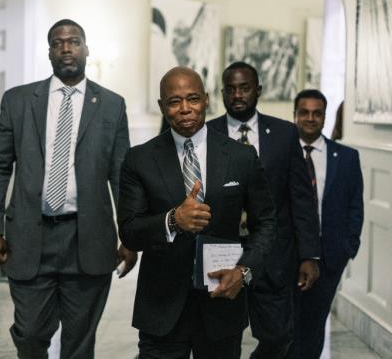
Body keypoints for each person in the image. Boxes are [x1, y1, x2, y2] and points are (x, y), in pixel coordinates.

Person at [0, 19, 137, 358]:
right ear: (49, 52)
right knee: (31, 333)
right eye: (58, 42)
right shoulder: (19, 101)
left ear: (86, 48)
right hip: (29, 237)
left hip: (89, 239)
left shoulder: (111, 105)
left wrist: (129, 234)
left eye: (74, 41)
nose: (66, 48)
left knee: (79, 342)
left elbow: (121, 175)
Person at [118, 66, 277, 359]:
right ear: (162, 106)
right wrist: (172, 220)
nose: (185, 109)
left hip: (222, 301)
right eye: (174, 101)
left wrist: (244, 272)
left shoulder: (241, 157)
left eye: (192, 99)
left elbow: (266, 224)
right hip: (161, 306)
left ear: (205, 100)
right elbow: (129, 230)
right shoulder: (139, 159)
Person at [208, 62, 320, 359]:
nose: (237, 95)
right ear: (222, 93)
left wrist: (309, 254)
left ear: (258, 90)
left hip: (274, 255)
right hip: (223, 254)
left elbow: (302, 199)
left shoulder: (284, 134)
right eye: (230, 89)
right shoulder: (208, 133)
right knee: (222, 340)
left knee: (278, 337)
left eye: (244, 88)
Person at [291, 89, 364, 359]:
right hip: (288, 253)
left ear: (325, 117)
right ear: (295, 116)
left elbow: (355, 206)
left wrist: (349, 246)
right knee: (286, 324)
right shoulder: (281, 153)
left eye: (317, 113)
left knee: (314, 323)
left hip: (330, 256)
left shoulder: (346, 157)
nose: (310, 118)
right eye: (304, 112)